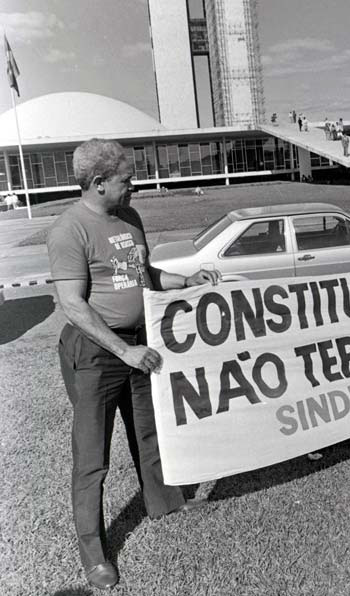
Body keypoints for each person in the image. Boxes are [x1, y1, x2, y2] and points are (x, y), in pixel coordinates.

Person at [46, 139, 220, 590]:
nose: (133, 186)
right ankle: (94, 553)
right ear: (99, 183)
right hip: (96, 353)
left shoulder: (130, 218)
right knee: (92, 456)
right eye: (126, 179)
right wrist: (123, 352)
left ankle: (163, 502)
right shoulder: (70, 229)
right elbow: (73, 305)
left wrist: (187, 280)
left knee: (149, 431)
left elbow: (146, 275)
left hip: (140, 346)